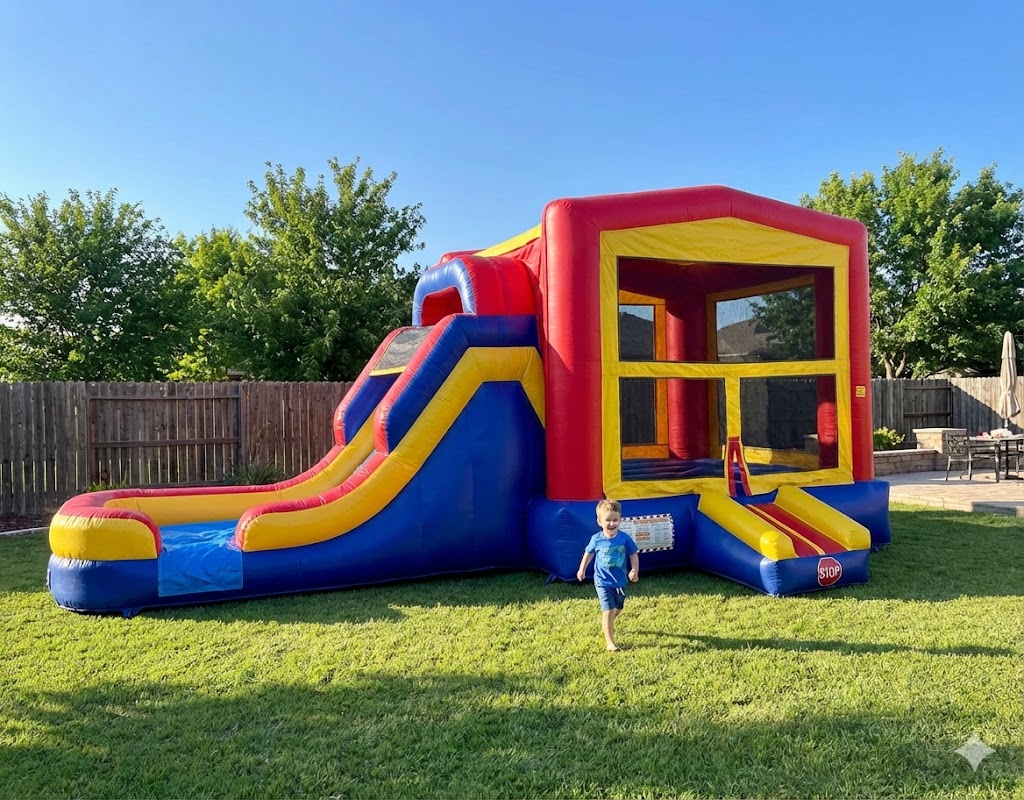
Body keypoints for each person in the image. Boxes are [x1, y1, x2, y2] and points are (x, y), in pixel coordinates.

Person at [577, 499, 639, 651]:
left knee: (618, 609)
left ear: (620, 520)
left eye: (615, 520)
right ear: (599, 521)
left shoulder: (624, 538)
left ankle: (608, 622)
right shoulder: (597, 539)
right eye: (608, 520)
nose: (612, 524)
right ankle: (610, 644)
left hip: (620, 581)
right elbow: (588, 554)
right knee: (609, 610)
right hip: (602, 582)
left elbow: (633, 554)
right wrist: (582, 569)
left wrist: (634, 570)